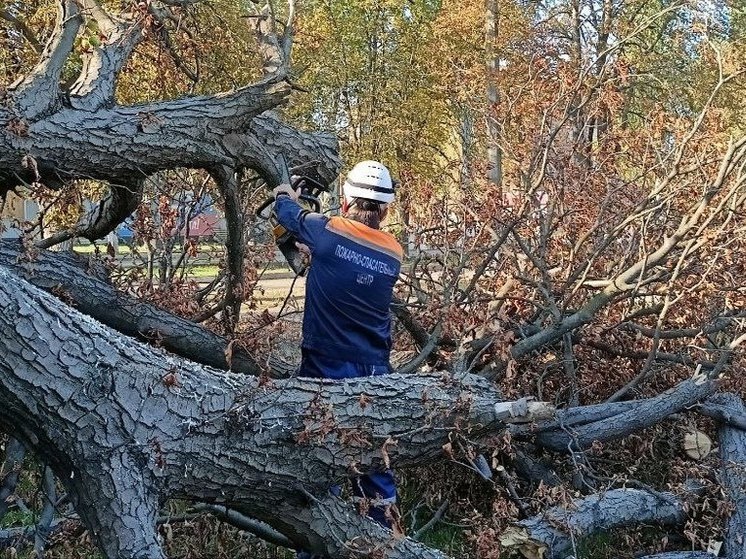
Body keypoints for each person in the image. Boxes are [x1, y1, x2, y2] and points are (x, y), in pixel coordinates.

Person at [272, 160, 402, 557]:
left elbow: (284, 211)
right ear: (385, 209)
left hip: (326, 366)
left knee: (320, 456)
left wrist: (285, 193)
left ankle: (315, 547)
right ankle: (382, 544)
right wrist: (322, 257)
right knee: (375, 463)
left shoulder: (325, 230)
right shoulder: (393, 252)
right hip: (375, 370)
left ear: (344, 200)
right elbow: (348, 260)